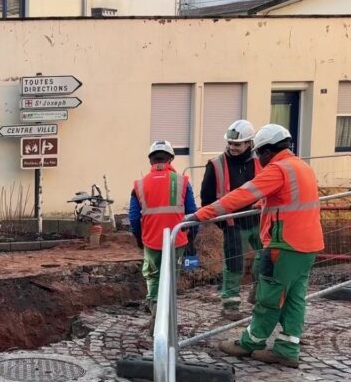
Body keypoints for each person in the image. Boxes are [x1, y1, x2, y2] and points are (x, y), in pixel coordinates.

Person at [186, 124, 323, 368]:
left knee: (270, 295)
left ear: (268, 150)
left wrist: (200, 215)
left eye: (260, 152)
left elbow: (241, 195)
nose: (258, 157)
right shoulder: (301, 166)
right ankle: (287, 347)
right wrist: (265, 206)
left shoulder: (278, 169)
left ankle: (250, 342)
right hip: (307, 245)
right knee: (294, 298)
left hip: (285, 244)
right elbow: (288, 200)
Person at [129, 140, 198, 327]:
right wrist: (191, 237)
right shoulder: (182, 182)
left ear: (151, 160)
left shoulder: (139, 185)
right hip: (177, 239)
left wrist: (138, 239)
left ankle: (154, 307)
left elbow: (134, 218)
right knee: (171, 277)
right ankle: (165, 316)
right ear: (171, 159)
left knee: (153, 276)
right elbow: (193, 213)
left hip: (151, 240)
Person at [200, 120, 262, 320]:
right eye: (230, 143)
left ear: (249, 143)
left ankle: (259, 291)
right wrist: (222, 222)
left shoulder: (259, 162)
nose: (232, 148)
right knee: (234, 264)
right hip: (233, 223)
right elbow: (207, 197)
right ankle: (230, 303)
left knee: (268, 257)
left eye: (237, 144)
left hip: (259, 219)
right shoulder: (216, 165)